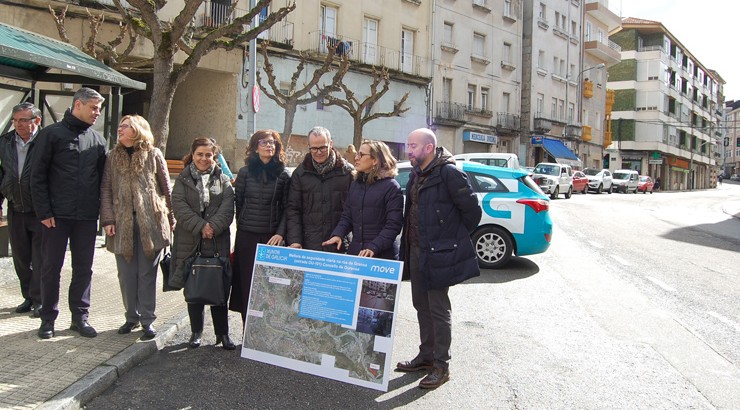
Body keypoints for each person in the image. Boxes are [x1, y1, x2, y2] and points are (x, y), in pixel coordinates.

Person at [395, 128, 481, 389]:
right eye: (408, 145)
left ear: (429, 148)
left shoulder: (449, 173)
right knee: (421, 305)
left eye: (413, 146)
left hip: (438, 252)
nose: (408, 150)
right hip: (416, 249)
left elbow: (472, 213)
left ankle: (441, 366)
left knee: (438, 309)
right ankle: (426, 356)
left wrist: (448, 240)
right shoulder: (416, 175)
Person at [31, 88, 107, 339]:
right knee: (51, 267)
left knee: (83, 268)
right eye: (94, 107)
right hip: (56, 216)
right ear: (78, 105)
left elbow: (102, 182)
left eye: (99, 108)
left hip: (85, 217)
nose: (98, 113)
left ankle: (80, 317)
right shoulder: (50, 135)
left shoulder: (98, 140)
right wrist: (44, 211)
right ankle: (48, 319)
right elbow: (37, 176)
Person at [100, 115, 175, 340]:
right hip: (121, 224)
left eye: (125, 126)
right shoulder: (112, 157)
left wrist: (171, 219)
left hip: (150, 224)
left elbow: (166, 189)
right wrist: (108, 220)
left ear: (138, 130)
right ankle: (130, 317)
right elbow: (105, 190)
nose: (120, 130)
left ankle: (147, 320)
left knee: (147, 274)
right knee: (125, 275)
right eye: (120, 126)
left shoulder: (154, 154)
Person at [168, 138, 235, 350]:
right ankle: (196, 332)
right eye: (200, 154)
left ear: (214, 156)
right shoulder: (183, 179)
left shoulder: (223, 179)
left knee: (219, 289)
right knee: (194, 289)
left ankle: (223, 334)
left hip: (217, 241)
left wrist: (212, 227)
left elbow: (228, 208)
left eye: (208, 155)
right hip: (190, 240)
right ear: (193, 154)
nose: (204, 159)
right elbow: (178, 207)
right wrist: (201, 226)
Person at [230, 130, 291, 325]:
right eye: (264, 142)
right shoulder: (245, 172)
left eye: (273, 143)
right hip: (247, 236)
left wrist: (280, 233)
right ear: (256, 147)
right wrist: (243, 227)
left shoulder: (283, 174)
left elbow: (287, 208)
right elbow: (238, 204)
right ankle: (248, 328)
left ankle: (269, 330)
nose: (269, 146)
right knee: (247, 283)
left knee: (270, 286)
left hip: (271, 238)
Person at [322, 139, 403, 260]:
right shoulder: (356, 184)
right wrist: (338, 234)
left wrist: (374, 247)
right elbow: (347, 216)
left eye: (361, 154)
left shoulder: (391, 187)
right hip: (356, 253)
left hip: (382, 257)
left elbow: (393, 225)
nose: (356, 158)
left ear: (375, 160)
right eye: (357, 154)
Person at [0, 102, 43, 317]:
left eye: (23, 120)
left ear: (37, 120)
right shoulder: (5, 142)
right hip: (16, 208)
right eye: (16, 120)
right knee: (21, 257)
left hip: (41, 210)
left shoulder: (46, 141)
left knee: (40, 258)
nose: (18, 125)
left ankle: (40, 299)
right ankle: (28, 296)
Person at [286, 126, 353, 252]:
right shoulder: (300, 174)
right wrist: (295, 240)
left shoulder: (347, 172)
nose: (318, 152)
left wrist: (341, 234)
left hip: (339, 244)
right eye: (314, 148)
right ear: (308, 147)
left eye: (322, 147)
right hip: (309, 244)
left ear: (331, 144)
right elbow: (293, 210)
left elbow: (353, 210)